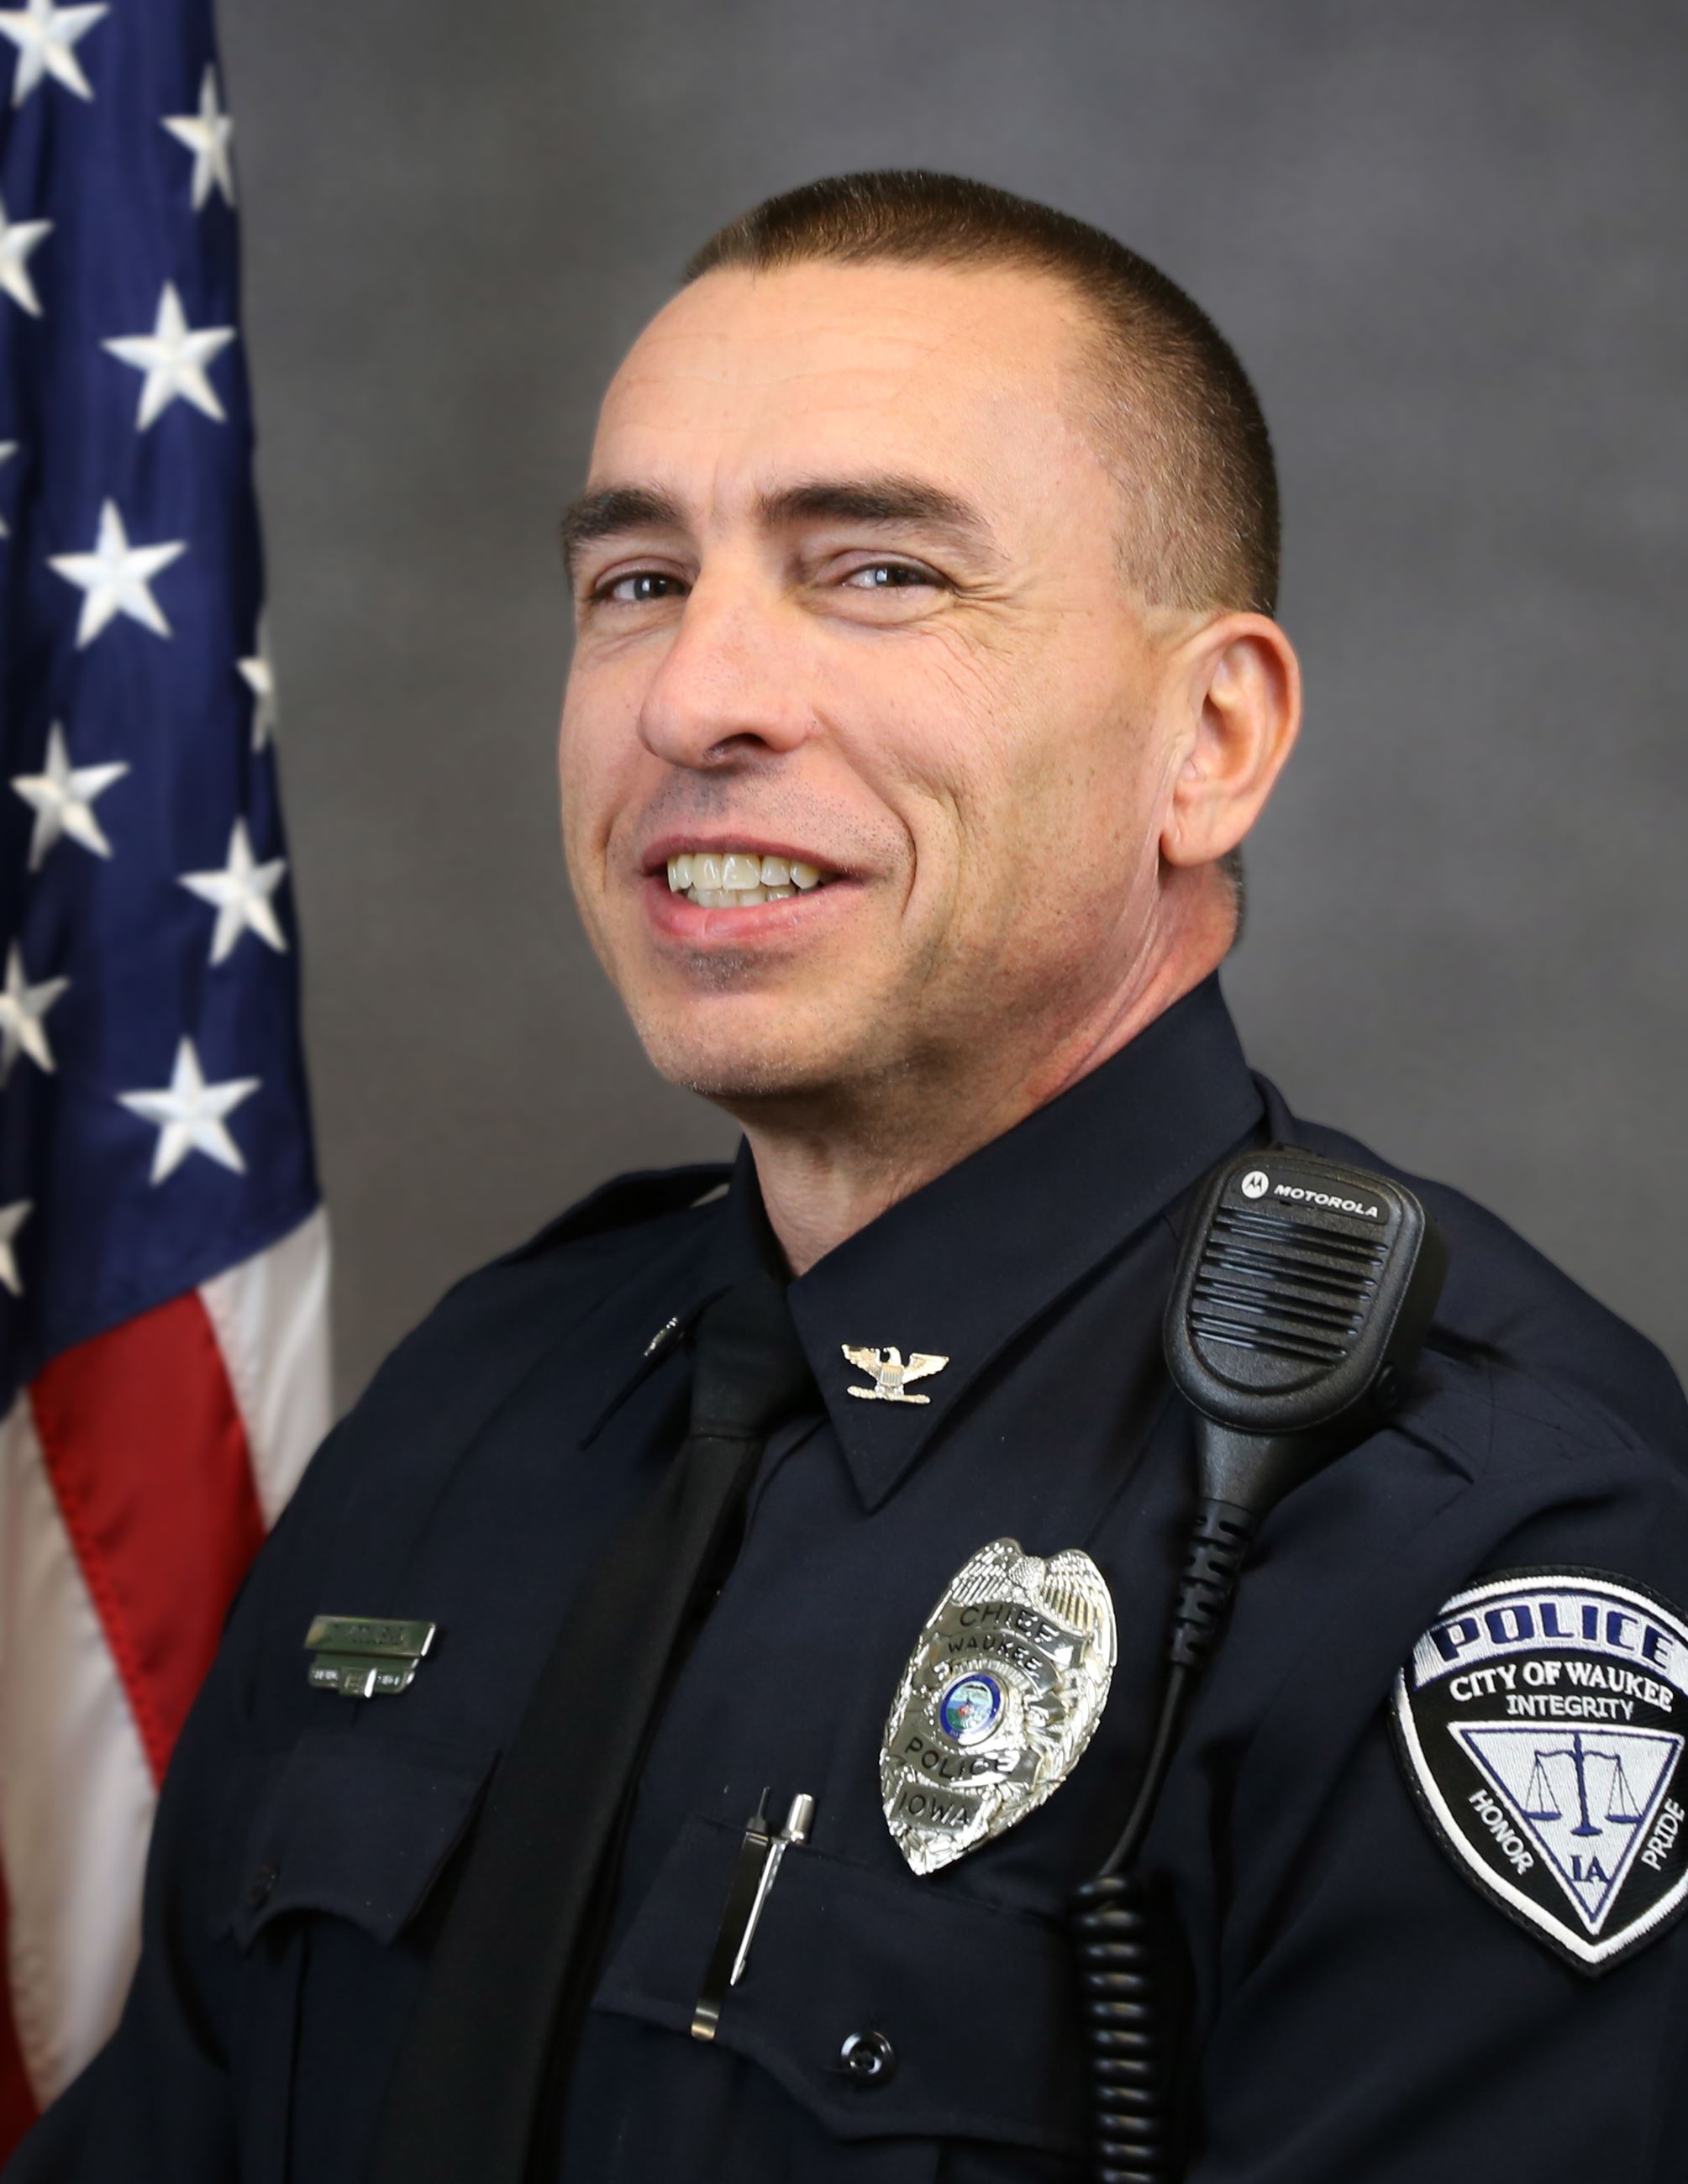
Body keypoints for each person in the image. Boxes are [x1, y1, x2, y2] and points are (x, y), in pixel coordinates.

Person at [10, 170, 1688, 2184]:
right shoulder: (482, 1405)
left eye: (877, 570)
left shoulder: (1474, 1543)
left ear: (1211, 740)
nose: (697, 696)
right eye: (637, 581)